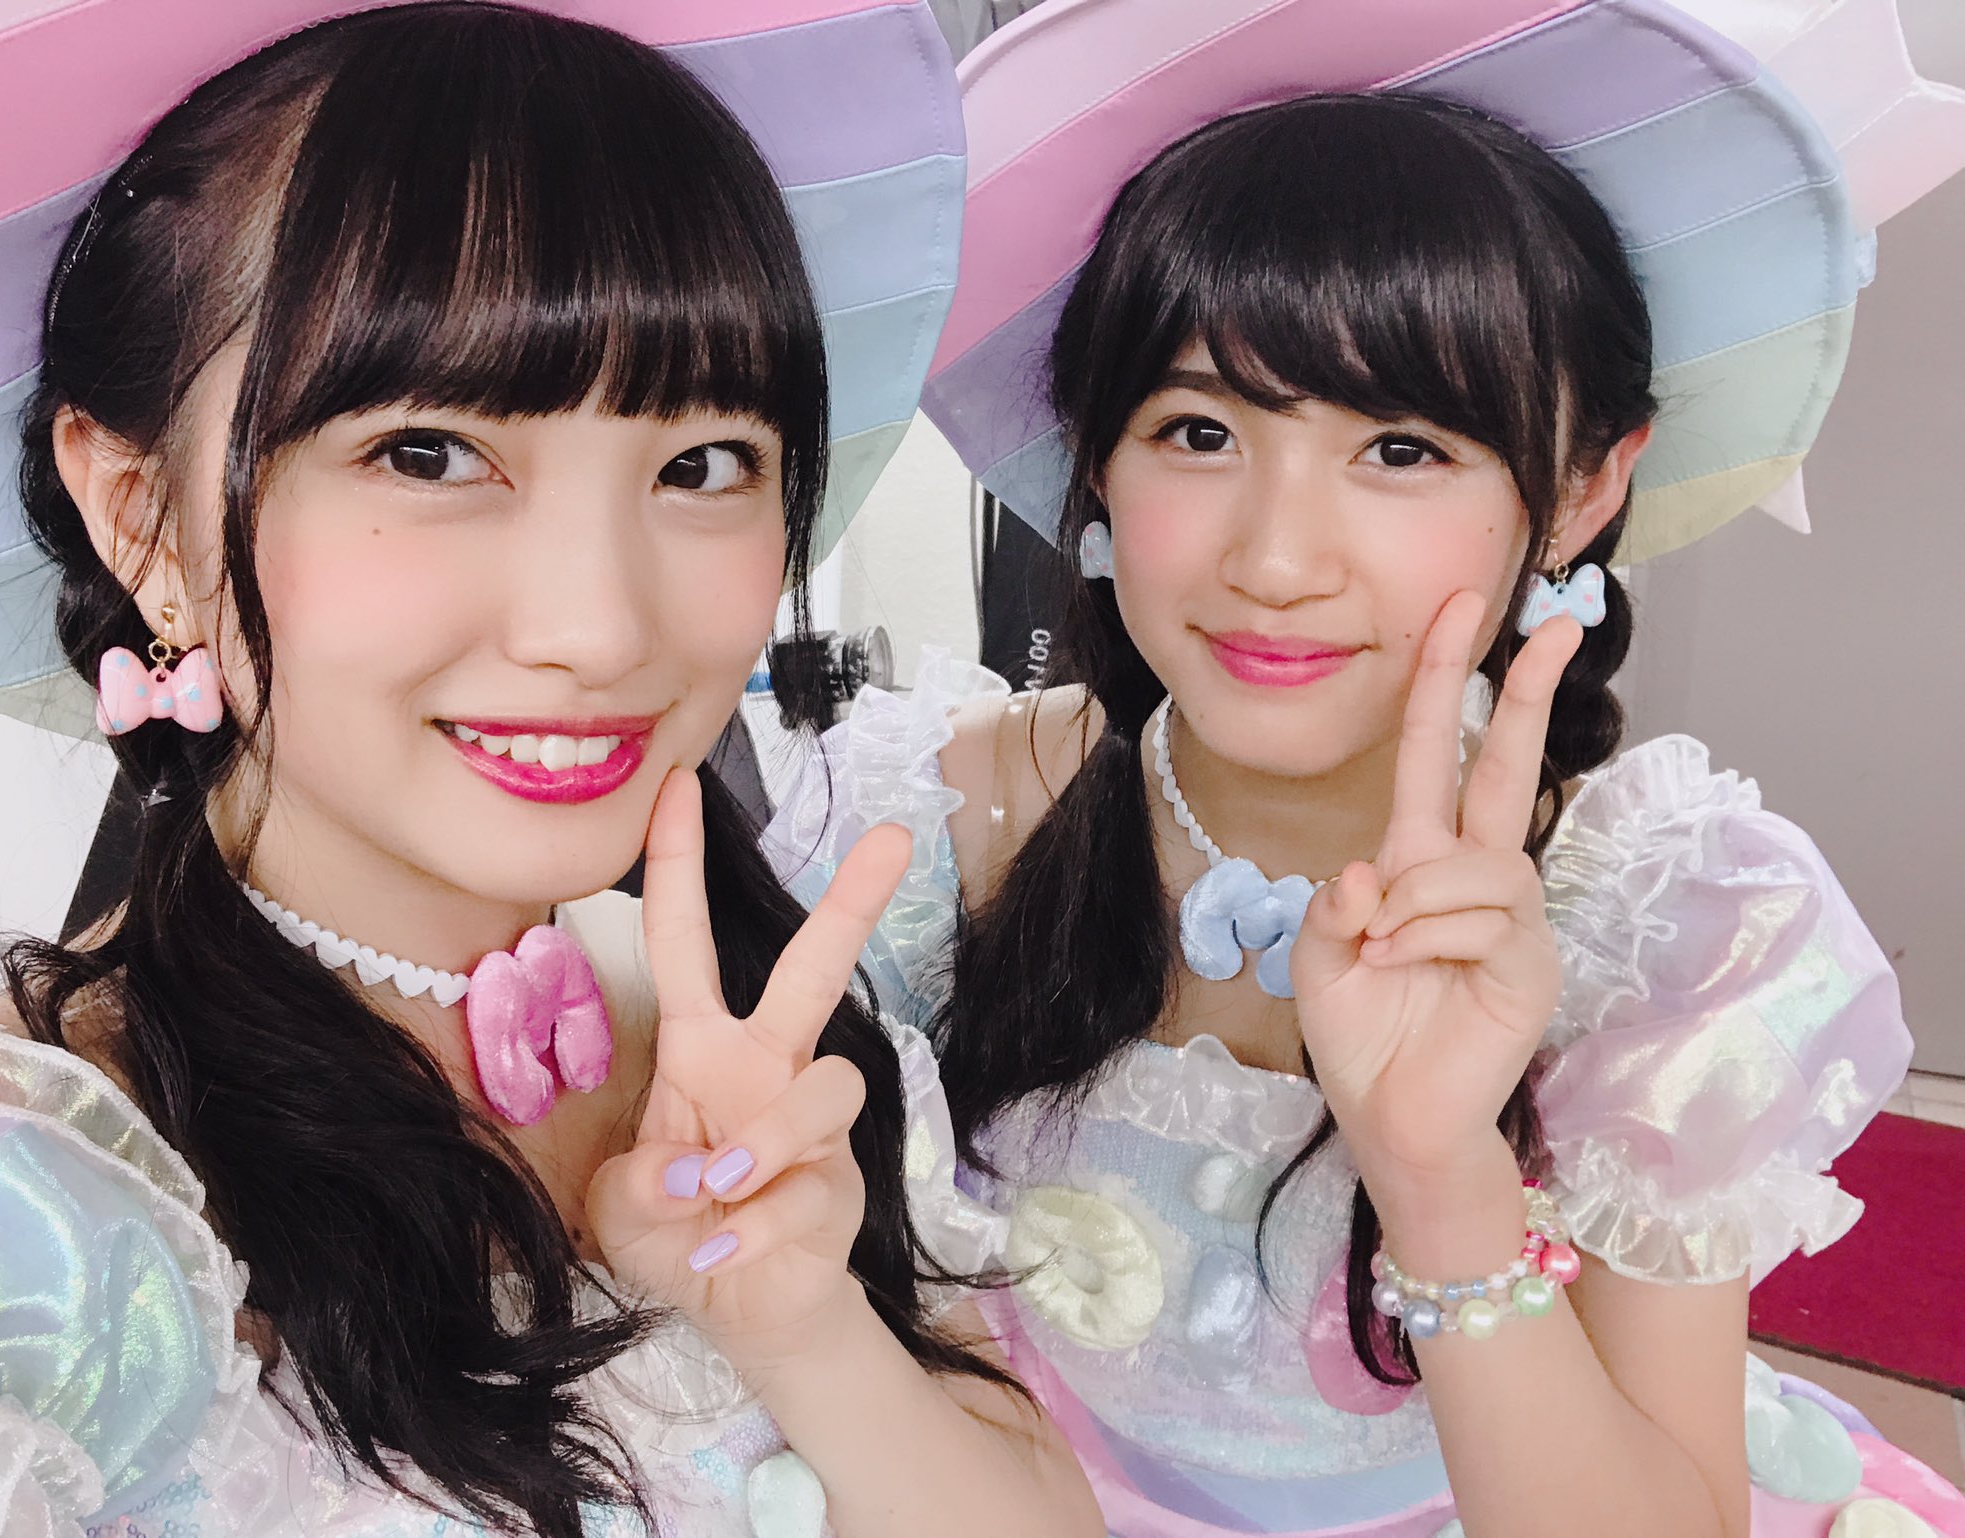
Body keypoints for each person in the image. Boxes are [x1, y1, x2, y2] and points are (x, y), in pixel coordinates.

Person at [765, 1, 1965, 1533]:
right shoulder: (933, 824)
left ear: (1584, 486)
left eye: (1402, 448)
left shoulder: (1666, 925)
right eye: (1198, 431)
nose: (1276, 560)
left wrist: (1439, 1175)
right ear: (1094, 454)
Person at [0, 4, 1101, 1534]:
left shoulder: (753, 1023)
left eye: (702, 464)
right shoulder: (11, 1225)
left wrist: (802, 1324)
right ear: (141, 516)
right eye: (427, 452)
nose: (598, 628)